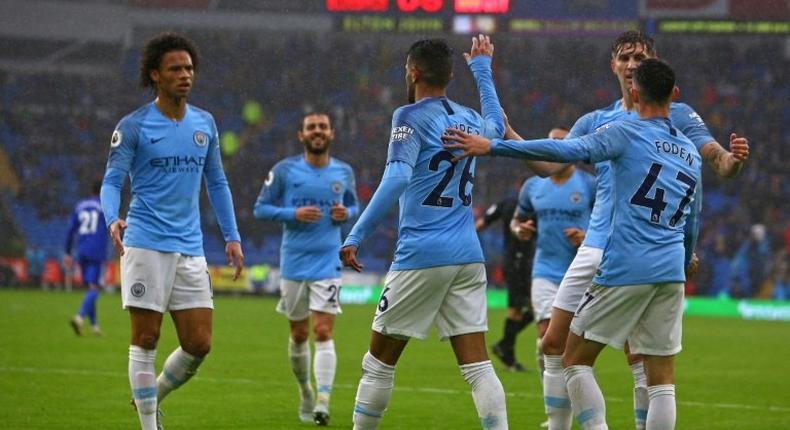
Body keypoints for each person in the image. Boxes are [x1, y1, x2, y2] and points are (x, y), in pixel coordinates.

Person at [499, 31, 749, 430]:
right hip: (605, 248)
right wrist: (510, 137)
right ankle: (558, 424)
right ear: (613, 65)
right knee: (554, 343)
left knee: (632, 358)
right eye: (625, 57)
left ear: (652, 63)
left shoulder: (677, 114)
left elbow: (717, 162)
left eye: (640, 56)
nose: (632, 64)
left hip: (625, 249)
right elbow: (552, 167)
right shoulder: (597, 120)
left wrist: (734, 162)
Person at [444, 57, 703, 430]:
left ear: (634, 91)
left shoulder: (625, 132)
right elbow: (692, 219)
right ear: (674, 95)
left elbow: (563, 152)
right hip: (670, 273)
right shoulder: (691, 153)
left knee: (573, 358)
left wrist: (494, 146)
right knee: (662, 377)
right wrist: (682, 262)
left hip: (626, 264)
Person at [339, 35, 508, 430]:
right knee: (478, 366)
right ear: (450, 74)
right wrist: (482, 70)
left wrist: (355, 234)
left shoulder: (410, 116)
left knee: (378, 362)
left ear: (413, 71)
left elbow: (396, 179)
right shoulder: (469, 117)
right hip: (468, 255)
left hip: (421, 255)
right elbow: (497, 127)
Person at [100, 32, 244, 430]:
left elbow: (216, 182)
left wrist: (231, 236)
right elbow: (112, 180)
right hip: (145, 242)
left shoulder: (205, 123)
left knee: (199, 344)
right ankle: (149, 425)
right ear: (155, 76)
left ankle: (150, 399)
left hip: (190, 246)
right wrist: (113, 216)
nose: (185, 75)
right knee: (146, 339)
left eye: (189, 68)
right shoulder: (133, 126)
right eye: (175, 69)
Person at [253, 111, 359, 426]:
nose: (317, 131)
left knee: (323, 331)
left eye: (322, 127)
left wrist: (347, 213)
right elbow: (260, 208)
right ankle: (305, 392)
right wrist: (293, 213)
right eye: (311, 127)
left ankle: (324, 400)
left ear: (331, 133)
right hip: (294, 263)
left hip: (327, 262)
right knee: (299, 334)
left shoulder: (344, 172)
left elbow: (355, 206)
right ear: (301, 135)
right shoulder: (284, 171)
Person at [510, 126, 595, 405]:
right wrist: (519, 230)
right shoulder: (533, 185)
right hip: (544, 270)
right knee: (547, 336)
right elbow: (516, 221)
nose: (555, 146)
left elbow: (608, 220)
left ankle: (566, 400)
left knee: (573, 343)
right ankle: (555, 406)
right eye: (551, 142)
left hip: (580, 271)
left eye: (562, 142)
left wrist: (587, 236)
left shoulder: (589, 184)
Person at [476, 195, 535, 372]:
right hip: (516, 261)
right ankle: (506, 352)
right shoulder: (531, 201)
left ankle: (504, 345)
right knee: (517, 309)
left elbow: (481, 223)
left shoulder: (506, 202)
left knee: (535, 309)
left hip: (521, 261)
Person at [66, 180, 108, 336]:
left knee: (91, 288)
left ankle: (94, 326)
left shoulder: (79, 206)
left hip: (81, 251)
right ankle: (79, 317)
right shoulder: (104, 206)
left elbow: (70, 230)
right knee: (95, 288)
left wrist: (67, 252)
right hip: (96, 251)